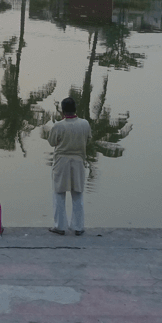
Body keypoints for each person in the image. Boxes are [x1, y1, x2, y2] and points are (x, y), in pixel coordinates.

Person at [47, 97, 91, 236]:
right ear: (75, 109)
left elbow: (52, 142)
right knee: (77, 193)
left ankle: (60, 226)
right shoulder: (84, 124)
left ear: (63, 110)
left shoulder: (58, 126)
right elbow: (88, 140)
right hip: (78, 161)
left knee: (59, 193)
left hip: (62, 161)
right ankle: (78, 226)